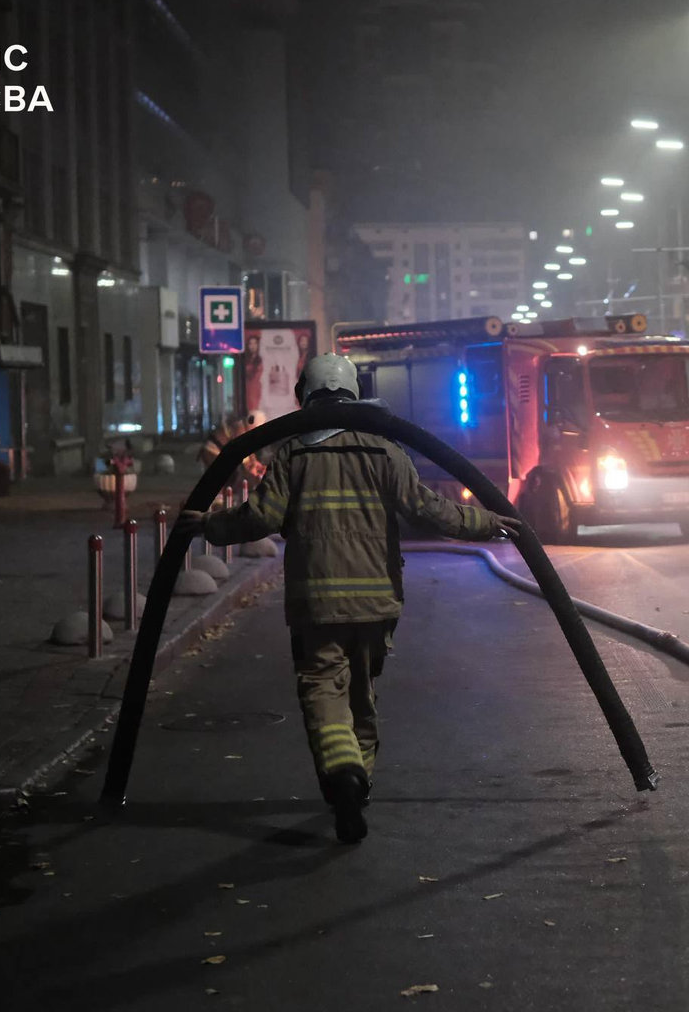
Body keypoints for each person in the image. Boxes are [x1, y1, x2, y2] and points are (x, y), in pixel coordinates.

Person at [173, 353, 519, 844]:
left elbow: (259, 518)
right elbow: (430, 510)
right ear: (353, 393)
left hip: (317, 602)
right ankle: (359, 782)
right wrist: (491, 523)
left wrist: (209, 525)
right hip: (378, 602)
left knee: (323, 689)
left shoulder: (293, 454)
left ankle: (345, 778)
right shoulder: (386, 450)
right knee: (362, 694)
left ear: (306, 396)